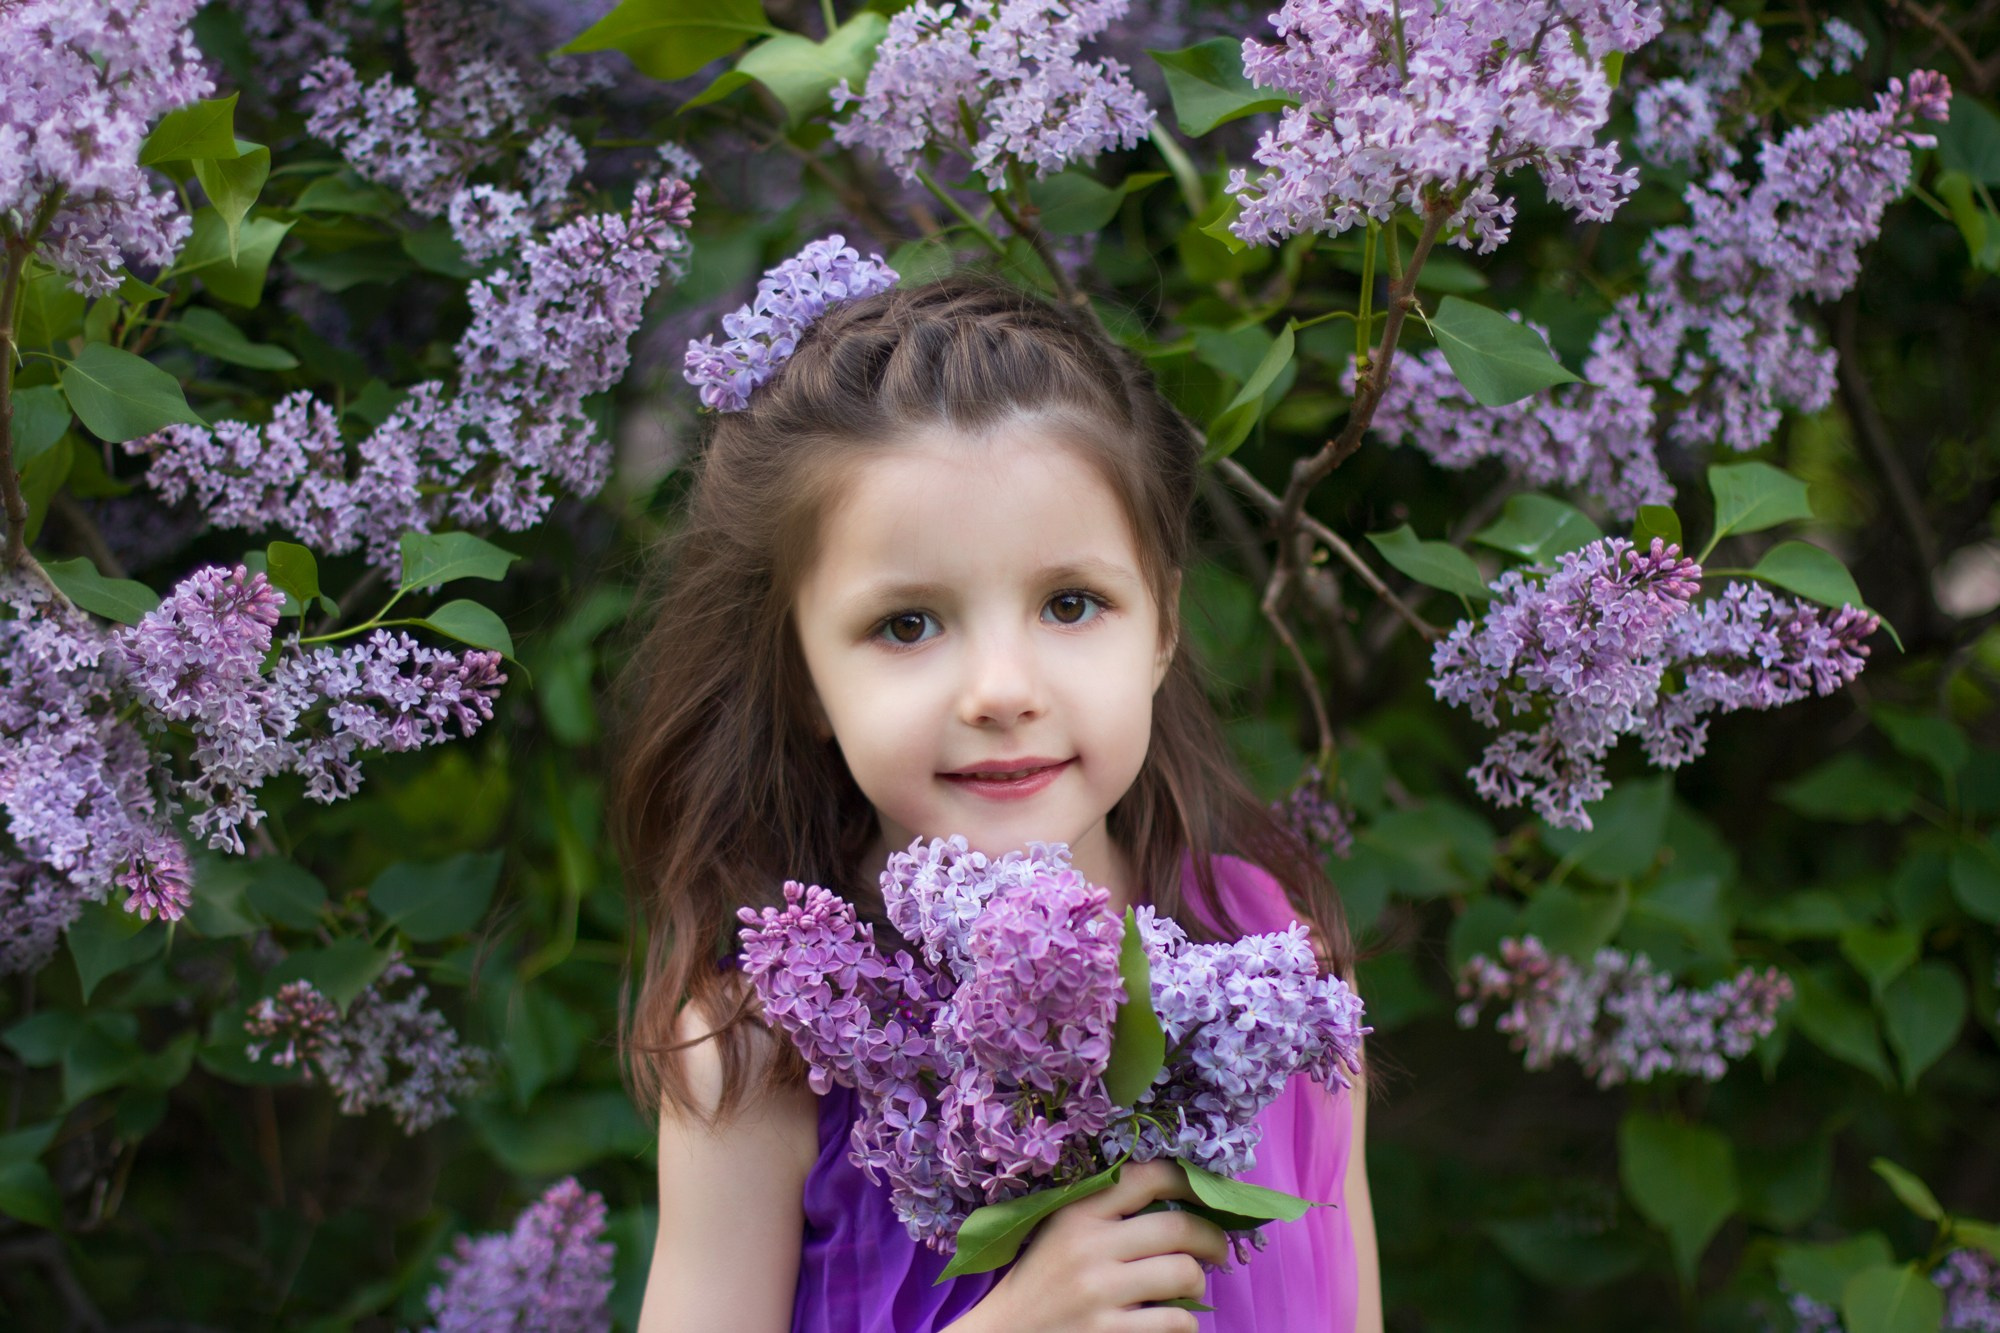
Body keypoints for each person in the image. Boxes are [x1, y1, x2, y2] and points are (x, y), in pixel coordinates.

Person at [613, 244, 1381, 1333]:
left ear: (1162, 625)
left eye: (1069, 604)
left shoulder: (1276, 966)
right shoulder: (761, 1054)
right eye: (907, 624)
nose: (1002, 691)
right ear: (802, 677)